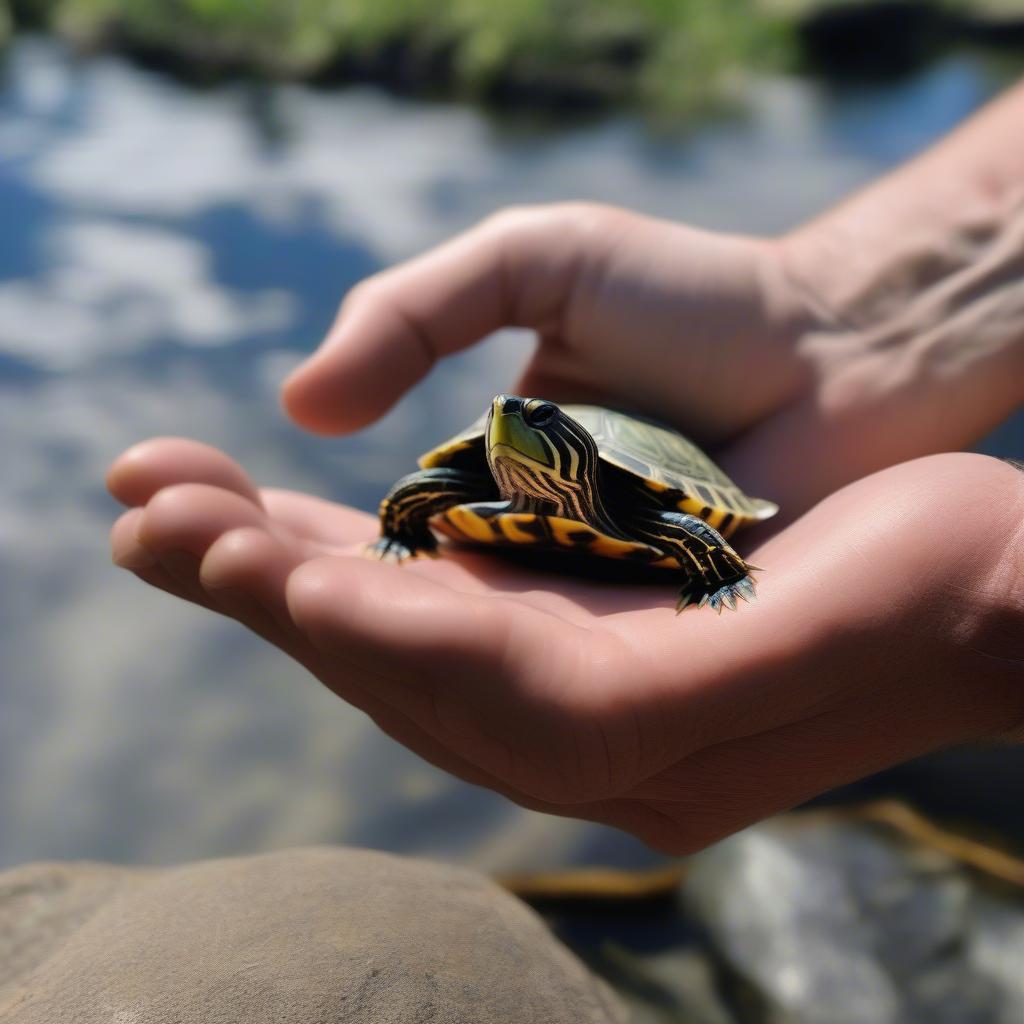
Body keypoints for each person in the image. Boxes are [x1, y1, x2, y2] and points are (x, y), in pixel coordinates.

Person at [107, 82, 1024, 856]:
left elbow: (687, 528)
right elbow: (432, 493)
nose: (509, 419)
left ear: (572, 452)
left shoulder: (640, 507)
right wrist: (868, 308)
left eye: (531, 422)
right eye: (508, 424)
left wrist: (992, 594)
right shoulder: (482, 484)